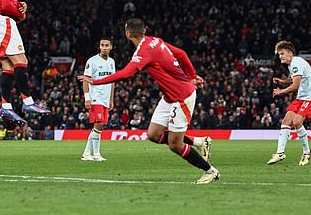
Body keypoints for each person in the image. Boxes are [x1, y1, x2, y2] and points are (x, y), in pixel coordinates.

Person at [79, 18, 218, 185]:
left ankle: (210, 170)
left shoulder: (143, 51)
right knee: (153, 134)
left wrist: (96, 81)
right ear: (144, 31)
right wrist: (192, 76)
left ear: (128, 34)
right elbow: (181, 54)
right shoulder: (156, 41)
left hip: (182, 97)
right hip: (169, 97)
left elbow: (126, 73)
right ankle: (199, 142)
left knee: (175, 145)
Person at [267, 40, 311, 166]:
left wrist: (281, 91)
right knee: (286, 121)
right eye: (279, 54)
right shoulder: (293, 64)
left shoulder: (296, 62)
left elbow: (296, 85)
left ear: (290, 53)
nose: (280, 56)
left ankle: (307, 152)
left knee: (297, 121)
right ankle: (280, 153)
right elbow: (294, 80)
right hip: (302, 97)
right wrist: (283, 81)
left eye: (282, 53)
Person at [81, 38, 115, 161]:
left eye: (107, 45)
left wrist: (111, 99)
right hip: (96, 97)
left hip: (105, 99)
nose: (104, 47)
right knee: (99, 124)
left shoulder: (112, 62)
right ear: (99, 47)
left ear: (111, 47)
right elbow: (85, 79)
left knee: (99, 126)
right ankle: (96, 154)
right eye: (102, 45)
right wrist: (87, 98)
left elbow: (112, 82)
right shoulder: (92, 61)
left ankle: (86, 153)